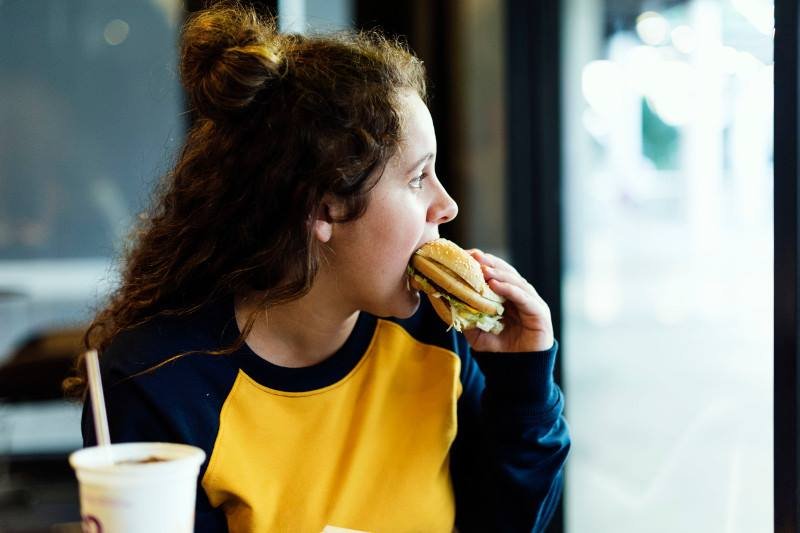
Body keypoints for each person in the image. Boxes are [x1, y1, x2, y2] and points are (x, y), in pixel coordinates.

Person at [64, 3, 570, 532]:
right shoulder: (159, 383)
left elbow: (507, 521)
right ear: (323, 206)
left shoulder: (438, 341)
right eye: (418, 177)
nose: (447, 206)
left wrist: (524, 384)